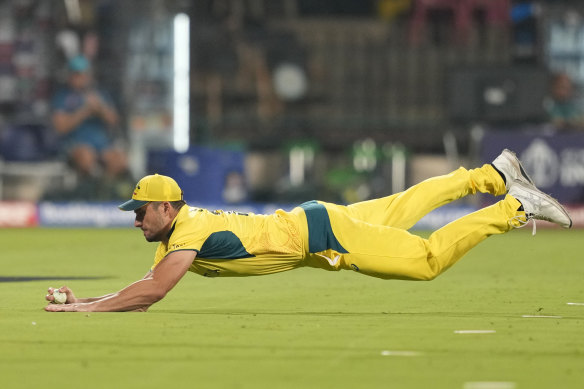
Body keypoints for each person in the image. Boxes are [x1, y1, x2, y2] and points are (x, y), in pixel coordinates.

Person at [44, 149, 572, 312]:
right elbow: (140, 289)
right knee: (408, 204)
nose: (135, 220)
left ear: (166, 207)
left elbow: (154, 293)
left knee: (428, 262)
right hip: (316, 220)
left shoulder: (189, 231)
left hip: (323, 236)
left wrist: (85, 311)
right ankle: (492, 174)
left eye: (140, 212)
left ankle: (513, 208)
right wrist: (82, 303)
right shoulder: (180, 231)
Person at [50, 55, 131, 199]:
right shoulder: (63, 97)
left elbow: (113, 120)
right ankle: (88, 196)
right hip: (76, 144)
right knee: (86, 157)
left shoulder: (99, 94)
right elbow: (60, 127)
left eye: (83, 74)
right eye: (76, 75)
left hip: (101, 144)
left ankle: (106, 194)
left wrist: (99, 108)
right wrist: (84, 111)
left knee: (119, 159)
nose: (80, 78)